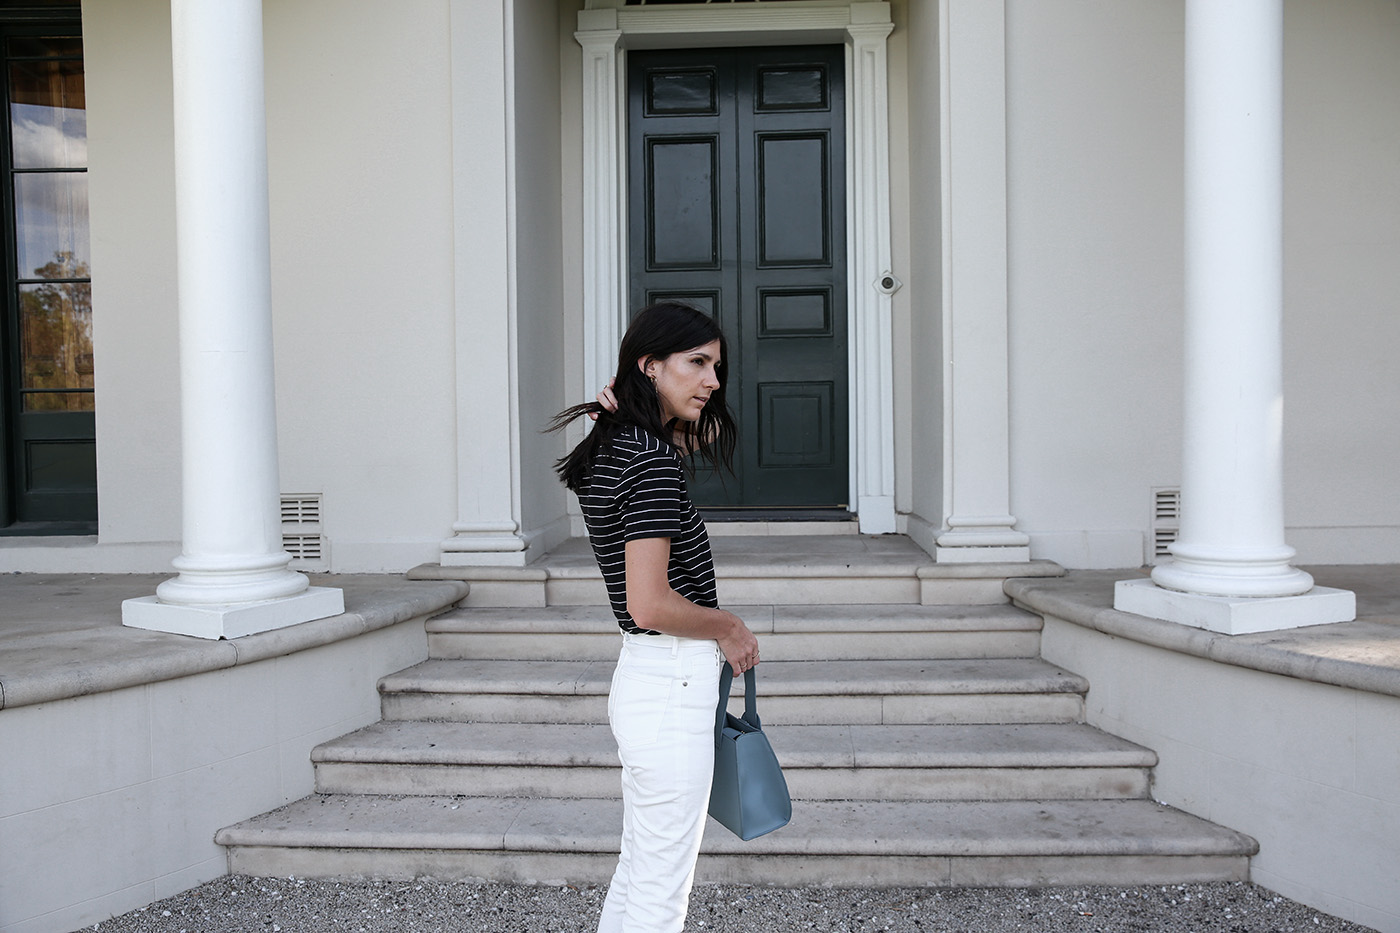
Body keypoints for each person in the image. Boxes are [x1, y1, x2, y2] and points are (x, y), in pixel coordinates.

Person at [548, 301, 761, 933]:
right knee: (661, 889)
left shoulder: (619, 447)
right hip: (670, 683)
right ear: (649, 364)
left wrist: (640, 402)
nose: (713, 382)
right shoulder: (649, 461)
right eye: (697, 363)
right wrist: (730, 627)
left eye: (716, 366)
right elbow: (650, 603)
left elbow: (703, 431)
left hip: (648, 682)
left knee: (643, 870)